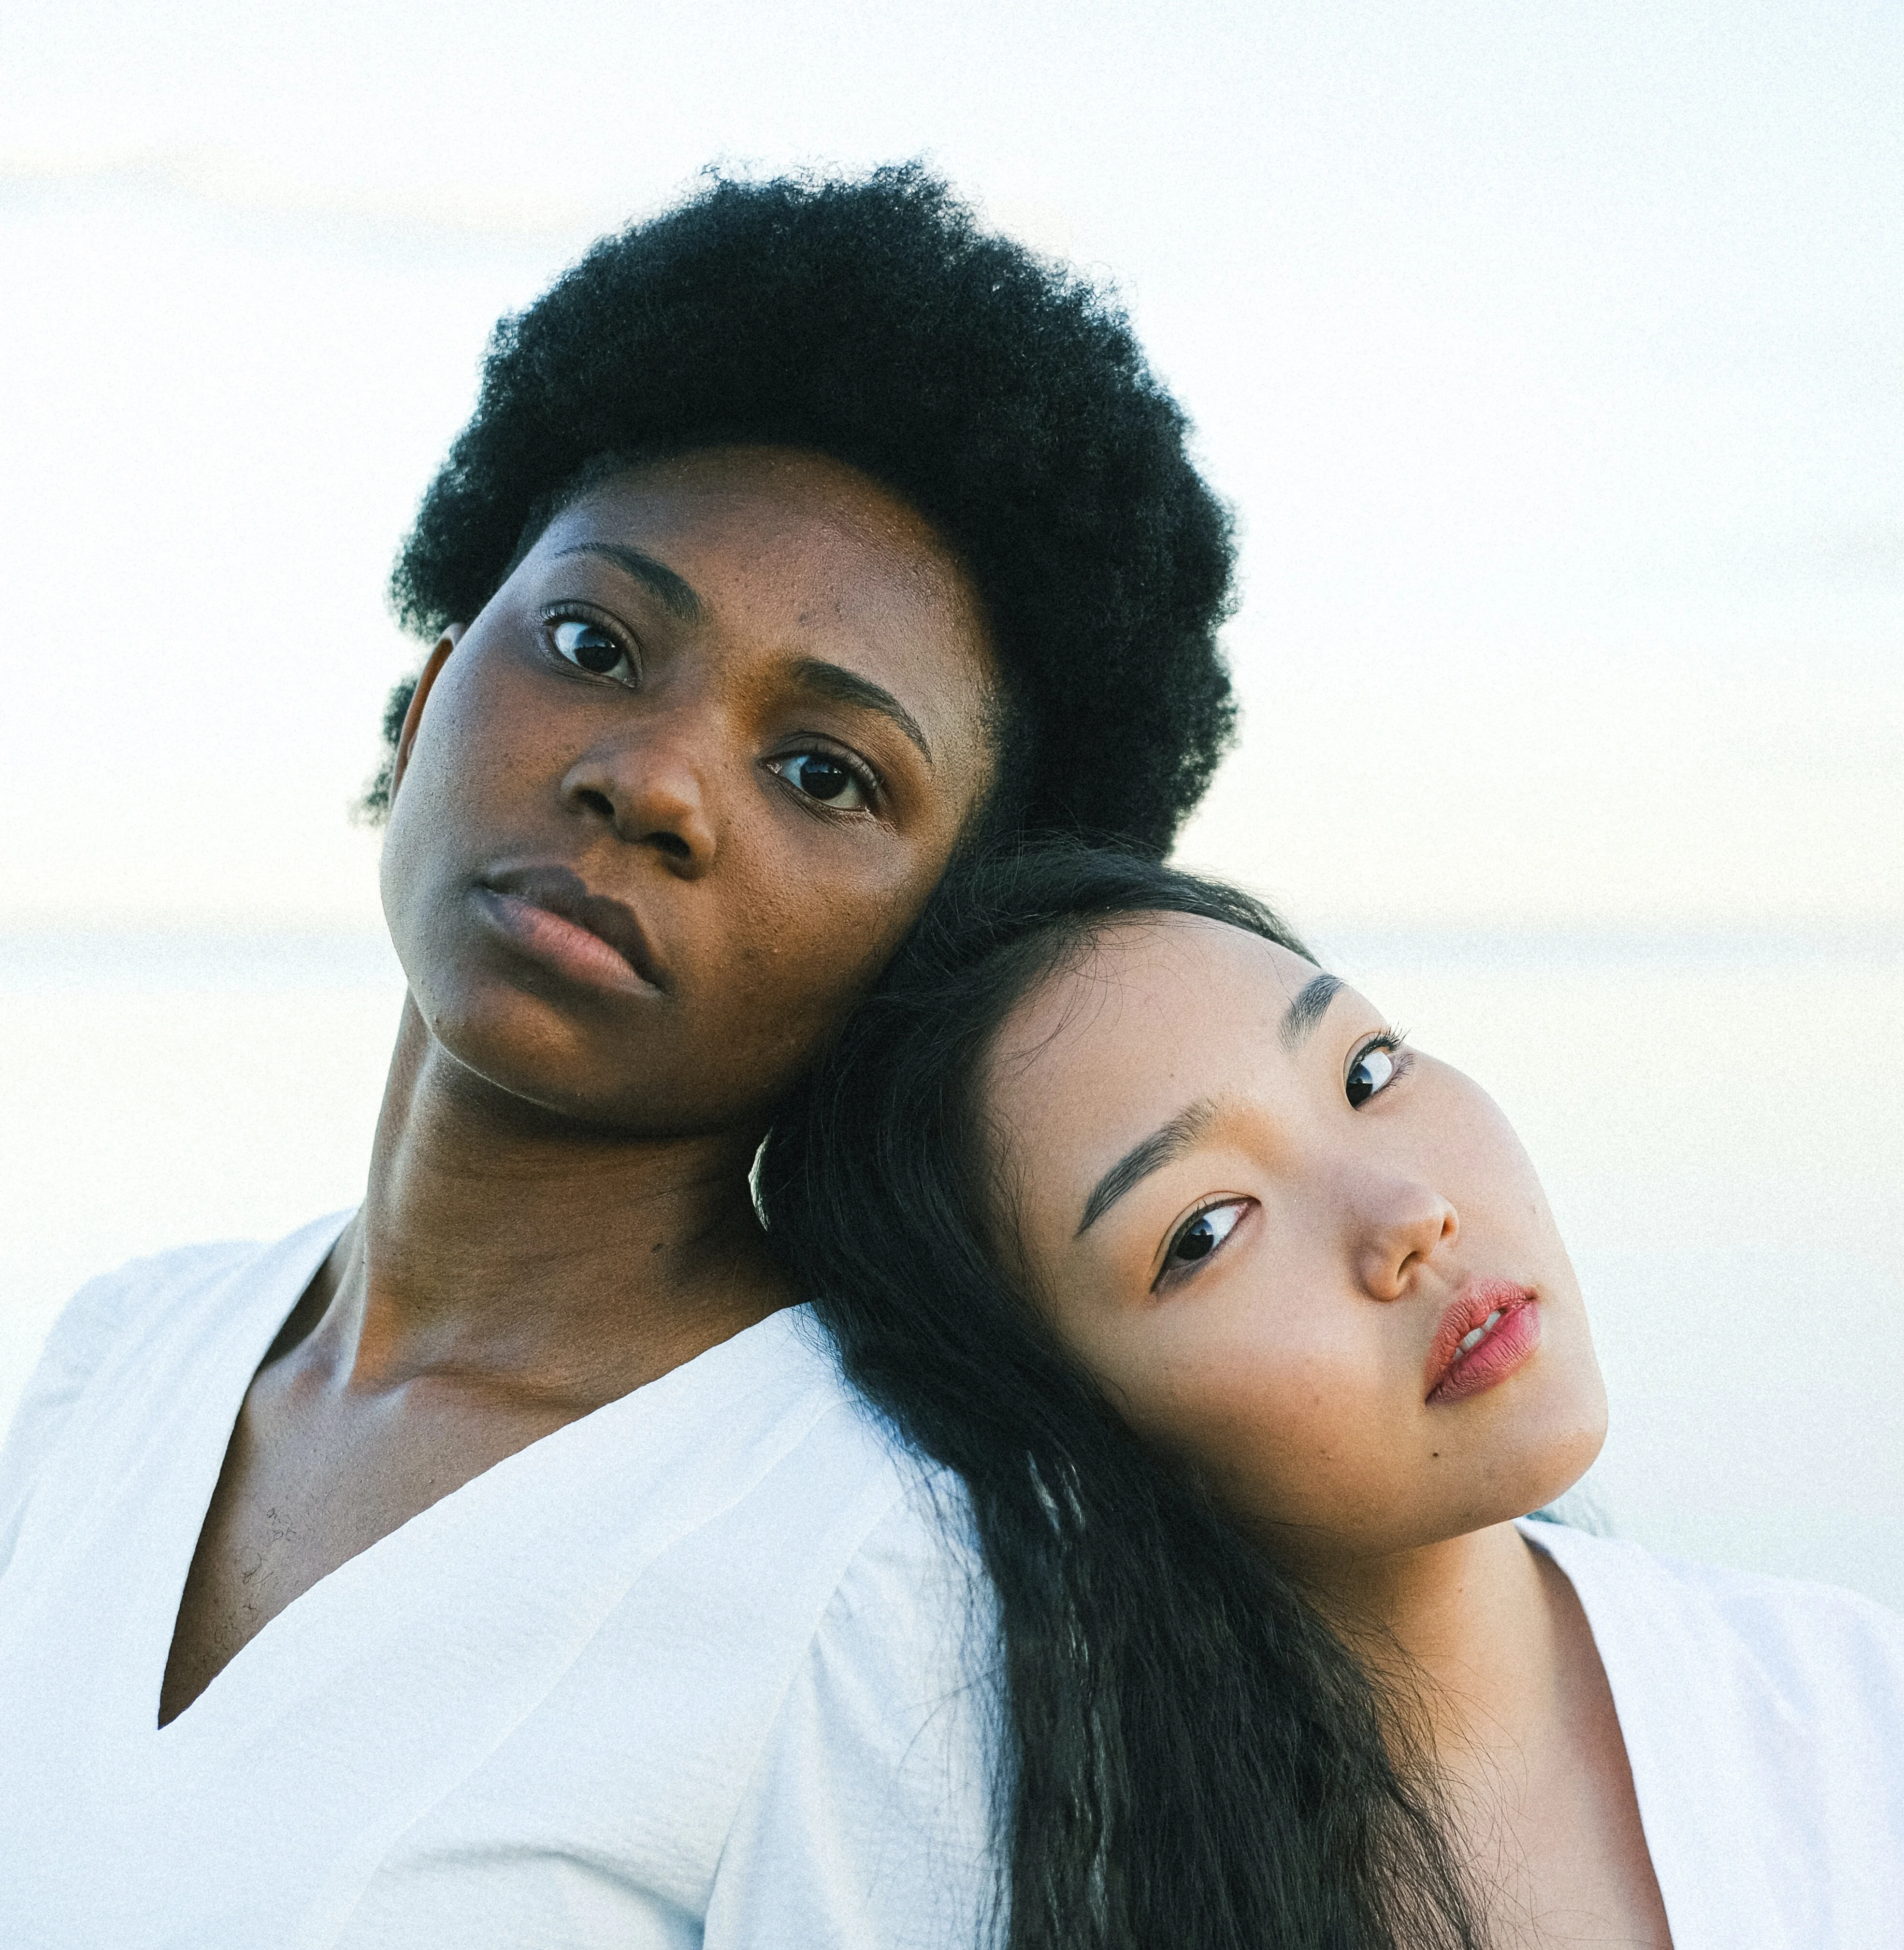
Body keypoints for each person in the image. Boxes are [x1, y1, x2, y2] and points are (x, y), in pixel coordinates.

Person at [0, 170, 1240, 1948]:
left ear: (939, 946)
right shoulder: (123, 1355)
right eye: (594, 644)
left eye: (826, 769)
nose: (651, 779)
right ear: (433, 684)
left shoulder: (887, 1573)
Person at [761, 843, 1904, 1950]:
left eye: (1364, 1071)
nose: (1406, 1211)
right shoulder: (972, 1877)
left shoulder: (1851, 1711)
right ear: (1050, 1412)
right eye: (1204, 1230)